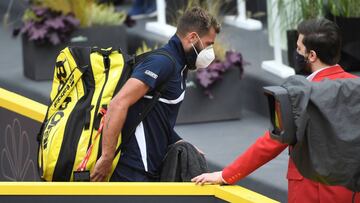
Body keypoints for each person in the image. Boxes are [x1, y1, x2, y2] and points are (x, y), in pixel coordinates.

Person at [192, 18, 359, 203]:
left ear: (311, 55)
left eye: (298, 48)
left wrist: (226, 175)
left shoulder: (298, 95)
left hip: (310, 193)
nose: (296, 52)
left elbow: (271, 142)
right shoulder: (356, 88)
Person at [90, 7, 220, 182]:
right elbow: (118, 104)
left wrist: (179, 142)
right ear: (192, 38)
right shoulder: (162, 63)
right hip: (132, 169)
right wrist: (106, 158)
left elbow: (156, 117)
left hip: (149, 168)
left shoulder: (180, 66)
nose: (211, 51)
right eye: (208, 44)